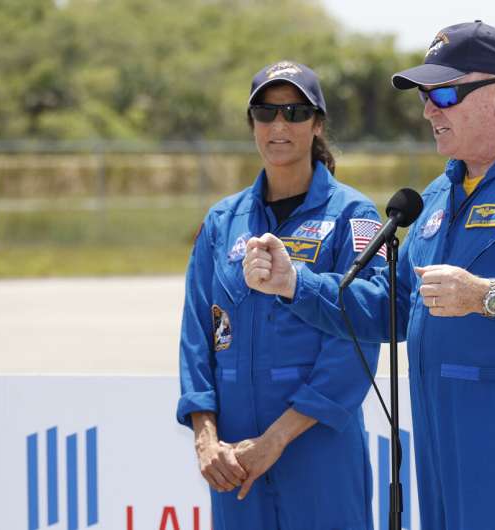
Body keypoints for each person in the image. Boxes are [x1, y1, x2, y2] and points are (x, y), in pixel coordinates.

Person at [244, 22, 495, 530]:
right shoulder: (434, 198)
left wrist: (488, 295)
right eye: (426, 96)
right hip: (438, 439)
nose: (430, 109)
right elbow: (397, 307)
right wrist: (294, 283)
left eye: (445, 94)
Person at [176, 61, 384, 530]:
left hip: (317, 450)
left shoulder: (353, 216)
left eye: (294, 112)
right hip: (236, 460)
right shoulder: (222, 221)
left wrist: (275, 440)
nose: (279, 125)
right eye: (265, 113)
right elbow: (197, 337)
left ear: (317, 124)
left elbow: (357, 337)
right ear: (252, 124)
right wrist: (207, 441)